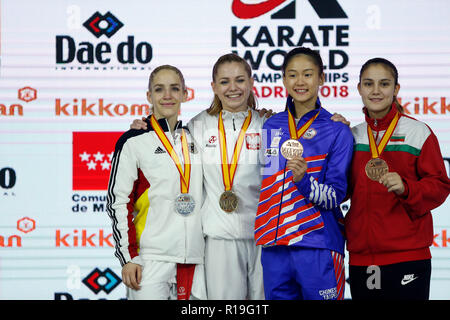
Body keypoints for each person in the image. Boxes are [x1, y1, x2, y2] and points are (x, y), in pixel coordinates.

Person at [130, 54, 266, 300]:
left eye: (240, 80)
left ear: (251, 82)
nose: (233, 88)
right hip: (218, 239)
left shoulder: (269, 124)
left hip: (264, 238)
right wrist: (144, 129)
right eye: (224, 82)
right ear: (213, 87)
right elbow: (165, 150)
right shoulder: (197, 127)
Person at [341, 57, 450, 300]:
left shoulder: (417, 132)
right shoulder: (352, 135)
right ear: (359, 88)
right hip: (362, 256)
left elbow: (440, 186)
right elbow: (342, 188)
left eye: (384, 84)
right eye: (369, 84)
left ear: (396, 89)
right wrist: (331, 132)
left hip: (408, 255)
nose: (376, 90)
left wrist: (407, 188)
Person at [255, 47, 354, 300]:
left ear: (321, 78)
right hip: (275, 246)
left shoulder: (337, 130)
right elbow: (268, 185)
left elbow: (337, 195)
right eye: (292, 75)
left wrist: (305, 182)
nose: (300, 82)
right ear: (283, 79)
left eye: (308, 74)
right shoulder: (271, 124)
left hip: (318, 244)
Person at [106, 65, 206, 300]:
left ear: (185, 93)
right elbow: (118, 202)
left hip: (193, 259)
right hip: (150, 259)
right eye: (159, 89)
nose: (168, 95)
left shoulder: (196, 137)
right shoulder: (133, 141)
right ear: (149, 96)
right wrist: (129, 258)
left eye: (174, 88)